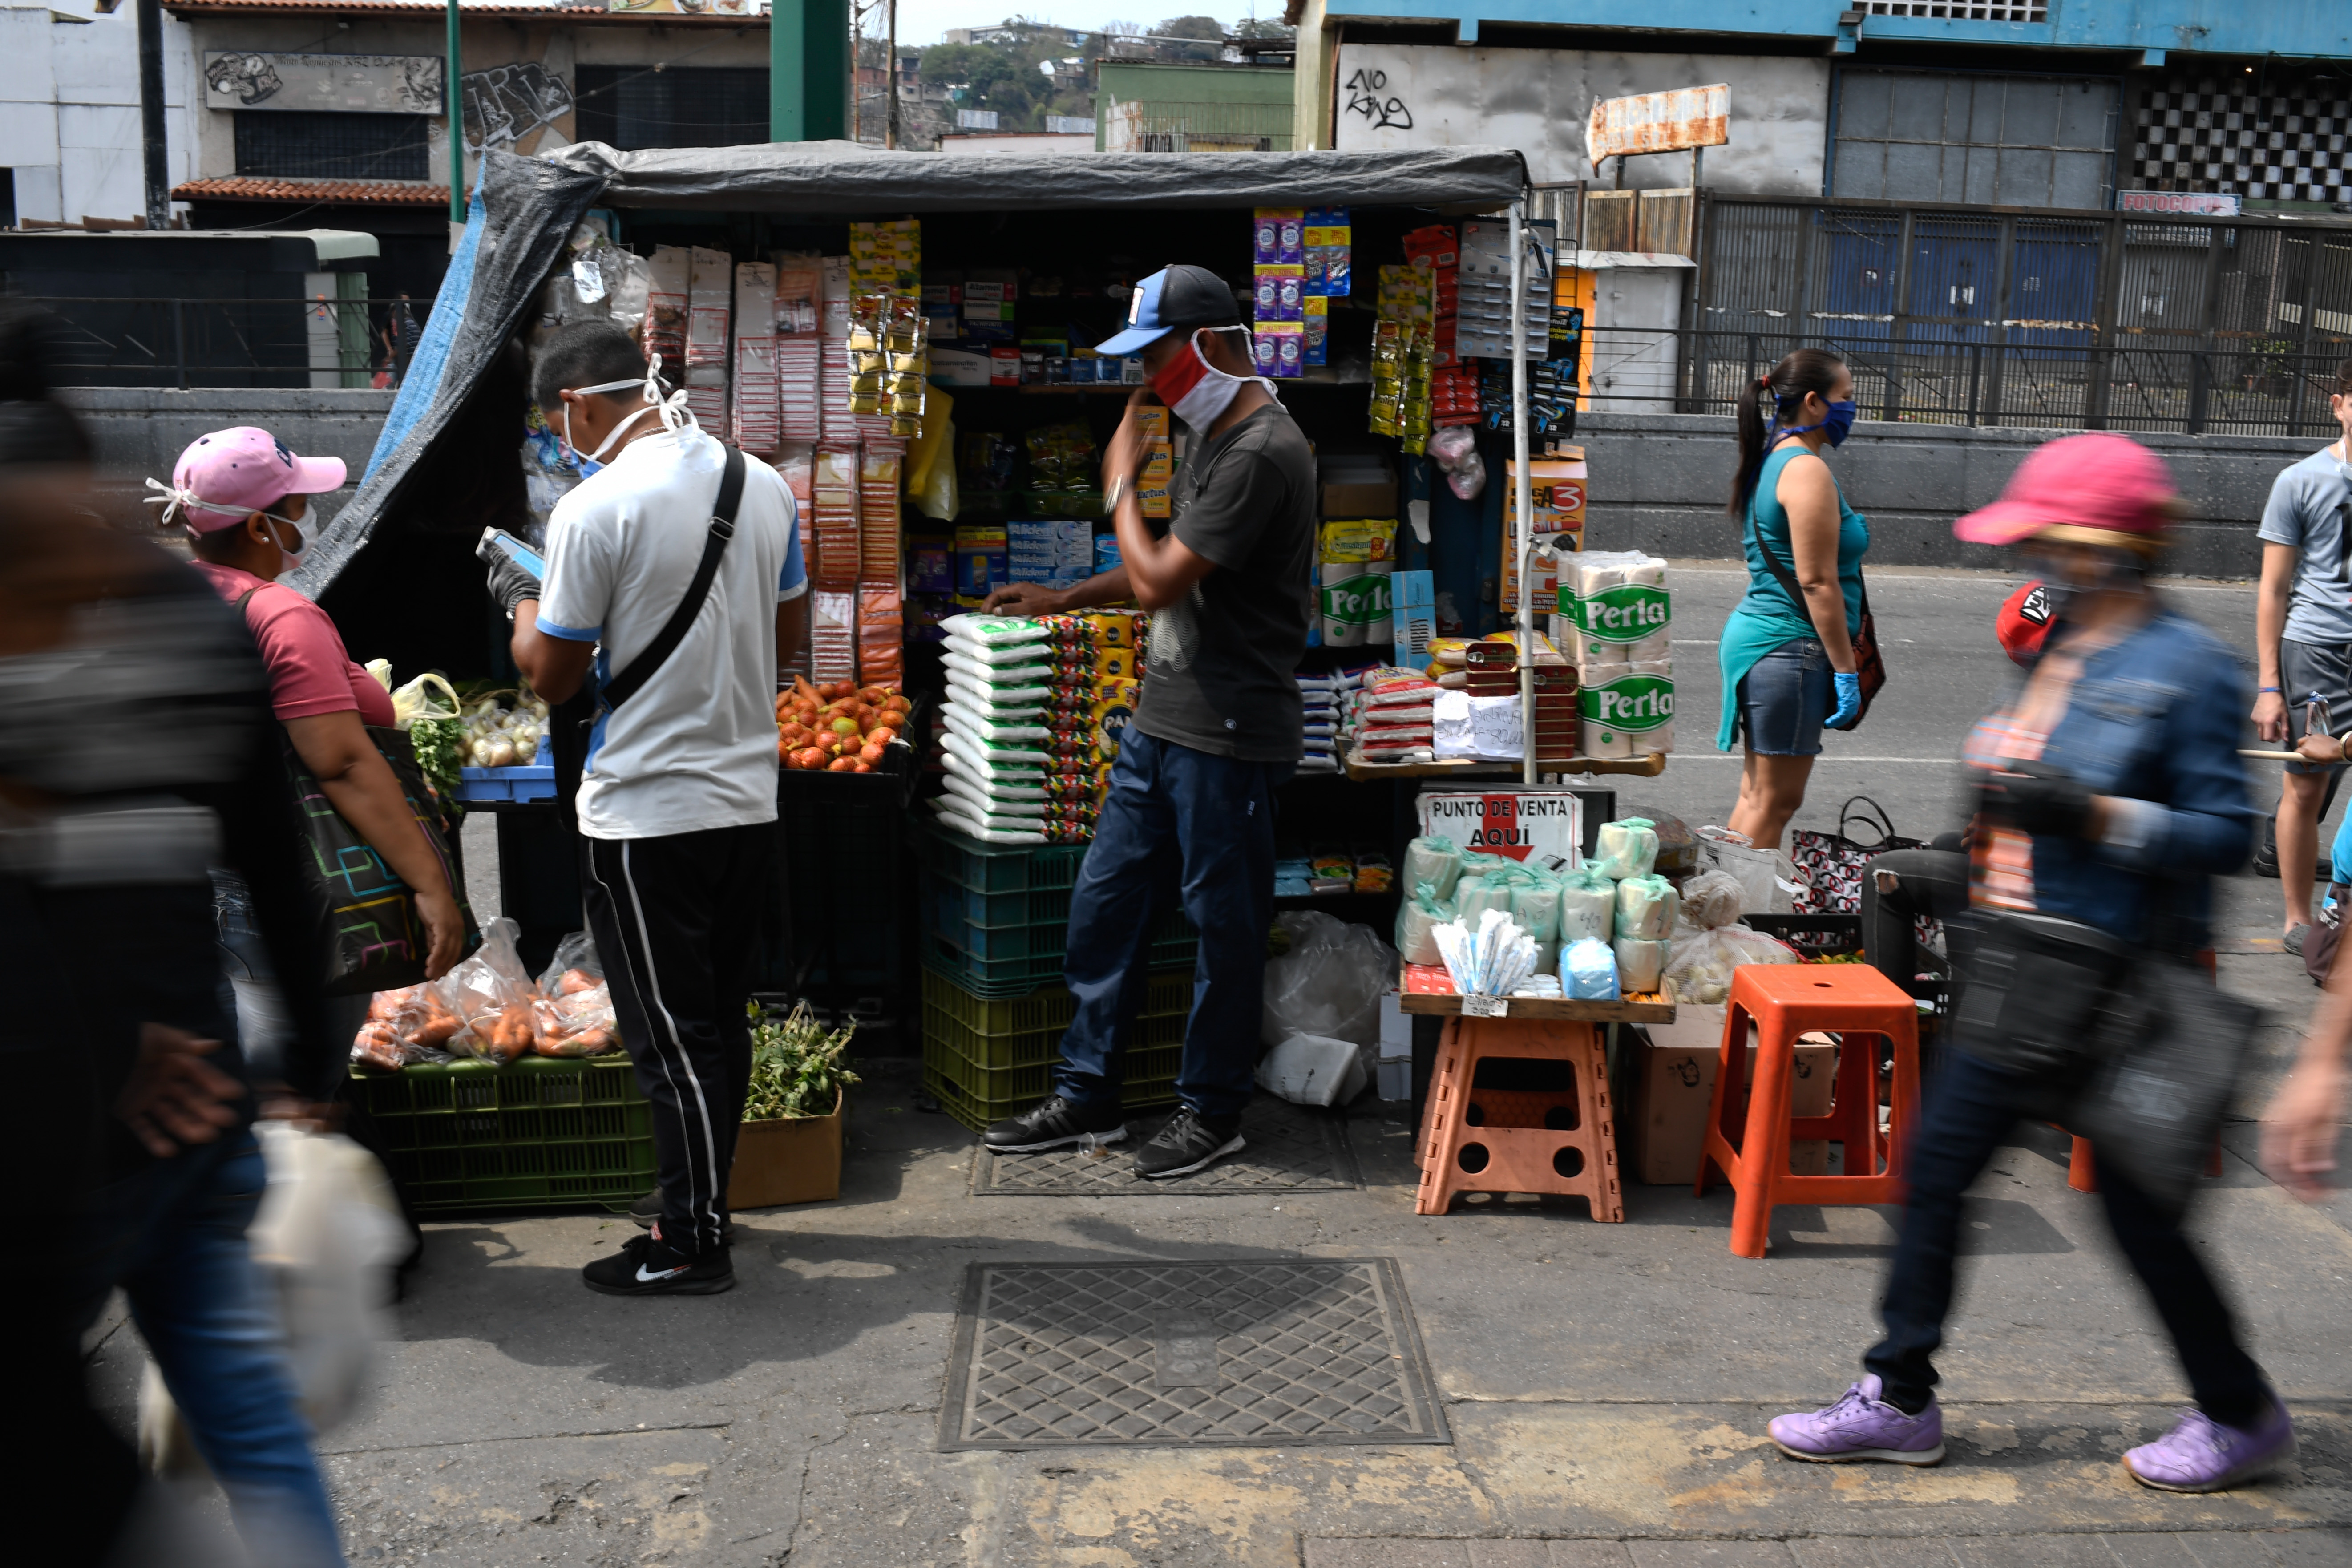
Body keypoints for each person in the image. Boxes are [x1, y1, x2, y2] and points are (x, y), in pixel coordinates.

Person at [1766, 432, 2291, 1494]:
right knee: (1933, 1171)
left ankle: (2239, 1412)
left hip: (2119, 988)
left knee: (2140, 1215)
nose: (2037, 558)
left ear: (2103, 545)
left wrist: (2094, 813)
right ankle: (1900, 1398)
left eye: (2052, 538)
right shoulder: (2068, 642)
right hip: (2018, 976)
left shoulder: (2186, 667)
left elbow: (2225, 831)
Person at [0, 306, 351, 1564]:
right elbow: (273, 850)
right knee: (250, 1421)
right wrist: (303, 1063)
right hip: (198, 1083)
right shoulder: (193, 611)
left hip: (89, 1118)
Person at [974, 263, 1314, 1180]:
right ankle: (1087, 1094)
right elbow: (1170, 564)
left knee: (1223, 926)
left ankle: (1213, 1110)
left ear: (1210, 346)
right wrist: (1068, 594)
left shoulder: (1262, 452)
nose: (1152, 381)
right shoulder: (1214, 433)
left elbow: (1162, 573)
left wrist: (1119, 486)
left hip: (1229, 731)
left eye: (1159, 360)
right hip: (1165, 717)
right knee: (1105, 905)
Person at [490, 323, 805, 1297]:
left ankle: (690, 1242)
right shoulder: (762, 482)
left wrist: (517, 598)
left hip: (645, 814)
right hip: (748, 798)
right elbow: (789, 633)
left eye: (559, 426)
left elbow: (550, 673)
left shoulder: (593, 508)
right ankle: (706, 1204)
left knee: (671, 1038)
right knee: (718, 1017)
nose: (561, 442)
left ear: (581, 407)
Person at [152, 427, 467, 1095]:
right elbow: (342, 764)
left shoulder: (162, 601)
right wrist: (431, 884)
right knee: (293, 1099)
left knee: (226, 1092)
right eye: (297, 504)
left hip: (180, 888)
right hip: (276, 891)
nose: (309, 516)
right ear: (262, 527)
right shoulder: (280, 617)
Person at [1716, 348, 1870, 852]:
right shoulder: (1805, 470)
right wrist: (1846, 671)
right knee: (1775, 803)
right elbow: (1817, 582)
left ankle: (1721, 912)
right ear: (1813, 402)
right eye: (1846, 398)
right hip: (1790, 646)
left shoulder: (1775, 458)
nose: (1852, 408)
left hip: (1767, 642)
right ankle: (1732, 920)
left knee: (1757, 797)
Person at [2250, 359, 2352, 954]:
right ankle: (2296, 918)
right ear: (2338, 404)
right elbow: (2272, 589)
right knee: (2306, 784)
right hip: (2315, 648)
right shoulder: (2299, 480)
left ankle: (2340, 906)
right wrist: (2268, 685)